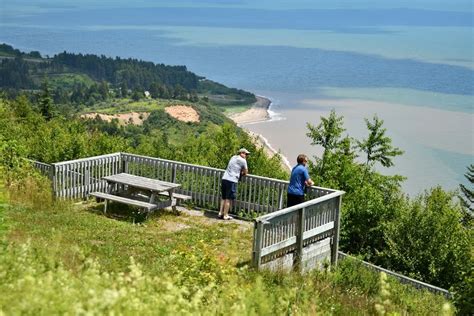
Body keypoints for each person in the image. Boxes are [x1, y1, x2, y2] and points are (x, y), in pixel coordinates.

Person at [219, 148, 250, 220]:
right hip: (232, 180)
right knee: (228, 199)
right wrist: (241, 173)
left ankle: (220, 213)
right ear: (242, 153)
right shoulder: (243, 161)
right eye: (245, 154)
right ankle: (225, 215)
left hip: (224, 178)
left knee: (223, 197)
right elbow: (246, 172)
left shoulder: (233, 157)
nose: (246, 156)